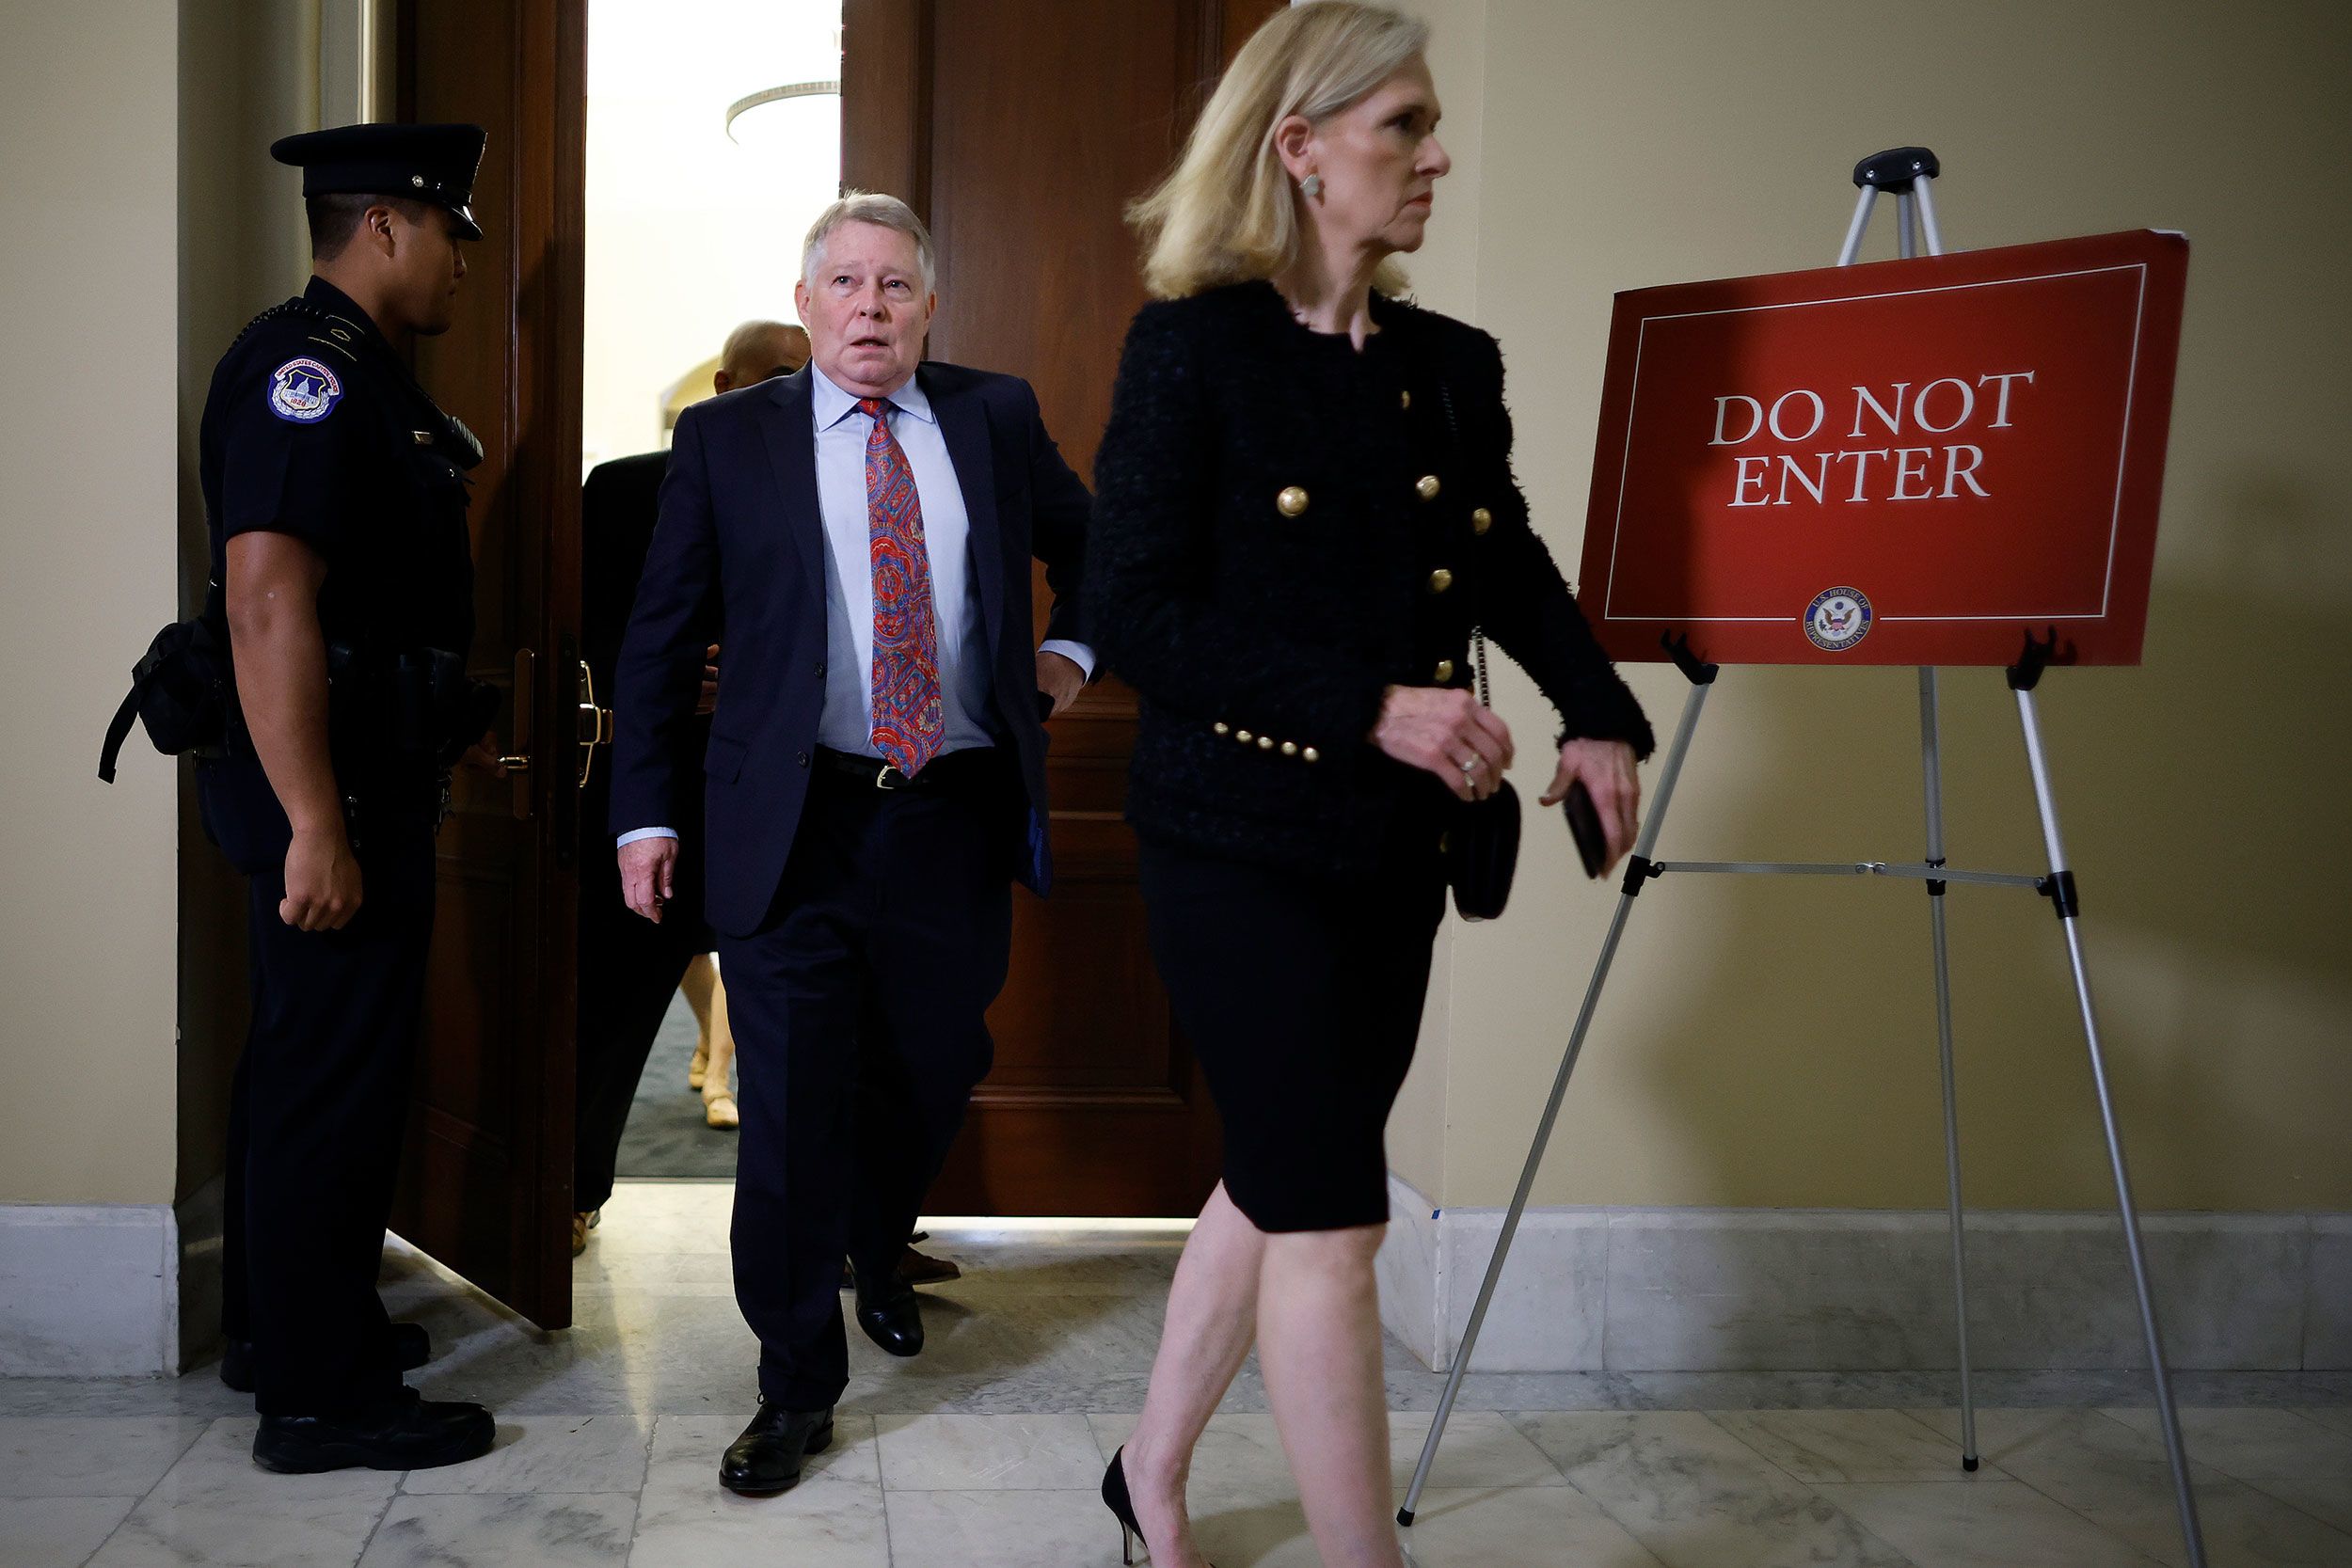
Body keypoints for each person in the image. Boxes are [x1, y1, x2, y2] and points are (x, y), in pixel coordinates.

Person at [1087, 7, 1654, 1564]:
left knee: (1280, 1173)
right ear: (1301, 147)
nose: (1435, 154)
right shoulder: (1191, 344)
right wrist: (1372, 708)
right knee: (1336, 1209)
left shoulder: (1447, 367)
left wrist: (1598, 713)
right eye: (1402, 123)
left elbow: (1513, 565)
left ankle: (1148, 1470)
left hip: (1390, 851)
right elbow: (1137, 610)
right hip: (1232, 838)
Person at [609, 192, 1094, 1497]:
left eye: (895, 287)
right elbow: (658, 639)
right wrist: (643, 809)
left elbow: (1105, 548)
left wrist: (1070, 652)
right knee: (786, 1109)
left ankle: (880, 1245)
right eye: (846, 284)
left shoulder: (990, 417)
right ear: (809, 300)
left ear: (929, 307)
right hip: (791, 819)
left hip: (951, 808)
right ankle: (792, 1383)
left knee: (932, 1062)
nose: (870, 309)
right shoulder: (727, 439)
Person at [196, 121, 502, 1474]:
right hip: (323, 794)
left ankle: (289, 1331)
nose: (459, 266)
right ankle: (322, 1399)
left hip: (350, 777)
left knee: (302, 1066)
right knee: (336, 1081)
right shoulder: (308, 371)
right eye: (448, 234)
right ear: (384, 224)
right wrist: (317, 822)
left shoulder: (367, 374)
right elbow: (268, 602)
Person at [573, 318, 811, 1259]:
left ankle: (845, 1226)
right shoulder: (623, 489)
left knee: (809, 1026)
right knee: (607, 1014)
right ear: (724, 381)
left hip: (779, 800)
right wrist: (669, 677)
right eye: (776, 378)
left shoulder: (829, 489)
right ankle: (573, 1193)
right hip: (653, 789)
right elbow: (585, 634)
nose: (793, 396)